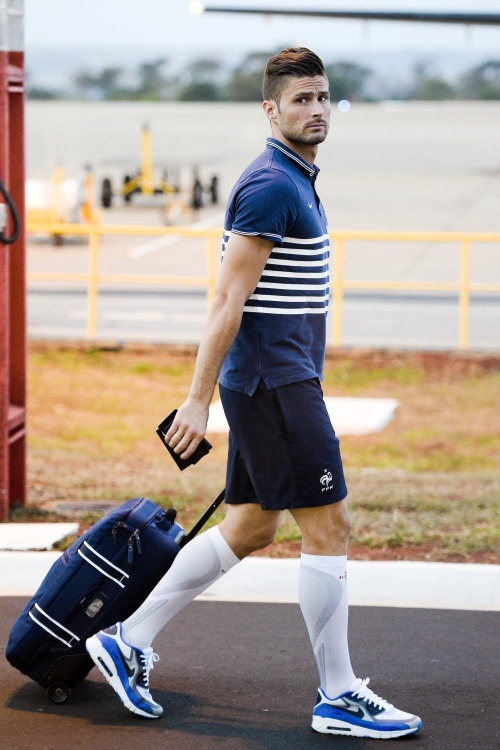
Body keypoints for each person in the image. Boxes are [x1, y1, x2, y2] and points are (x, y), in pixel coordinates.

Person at [86, 47, 422, 740]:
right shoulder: (271, 183)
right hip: (273, 381)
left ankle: (126, 638)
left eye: (323, 97)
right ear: (270, 110)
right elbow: (227, 300)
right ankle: (338, 695)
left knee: (250, 526)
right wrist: (196, 398)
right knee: (330, 526)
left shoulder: (297, 178)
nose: (317, 109)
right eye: (300, 99)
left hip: (275, 377)